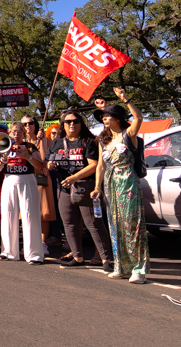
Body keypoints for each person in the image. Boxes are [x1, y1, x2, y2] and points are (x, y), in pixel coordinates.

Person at [91, 88, 148, 284]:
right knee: (115, 226)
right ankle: (121, 266)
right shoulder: (103, 140)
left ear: (117, 118)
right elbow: (100, 165)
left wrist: (126, 99)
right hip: (110, 183)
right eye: (104, 116)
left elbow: (138, 117)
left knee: (132, 225)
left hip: (128, 181)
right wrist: (97, 187)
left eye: (108, 115)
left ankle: (138, 269)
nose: (105, 118)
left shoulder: (128, 134)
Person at [48, 110, 113, 272]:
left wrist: (74, 177)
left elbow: (94, 165)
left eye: (76, 121)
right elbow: (50, 159)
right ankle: (78, 257)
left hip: (86, 187)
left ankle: (106, 259)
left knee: (93, 223)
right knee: (69, 223)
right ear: (63, 124)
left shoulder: (89, 141)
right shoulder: (56, 143)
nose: (72, 124)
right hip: (64, 188)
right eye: (68, 121)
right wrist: (50, 165)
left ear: (81, 123)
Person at [0, 122, 44, 264]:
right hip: (9, 181)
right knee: (8, 215)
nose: (16, 134)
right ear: (9, 133)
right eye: (13, 131)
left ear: (24, 133)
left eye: (19, 131)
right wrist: (3, 157)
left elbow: (40, 166)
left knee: (30, 216)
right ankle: (8, 251)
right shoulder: (3, 146)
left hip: (27, 181)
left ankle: (34, 254)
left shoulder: (30, 147)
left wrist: (28, 157)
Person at [23, 115, 56, 254]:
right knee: (26, 212)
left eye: (30, 123)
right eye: (24, 124)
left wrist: (41, 141)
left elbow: (48, 158)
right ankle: (29, 241)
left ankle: (42, 243)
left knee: (43, 211)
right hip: (25, 178)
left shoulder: (45, 140)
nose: (27, 126)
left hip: (41, 177)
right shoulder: (22, 143)